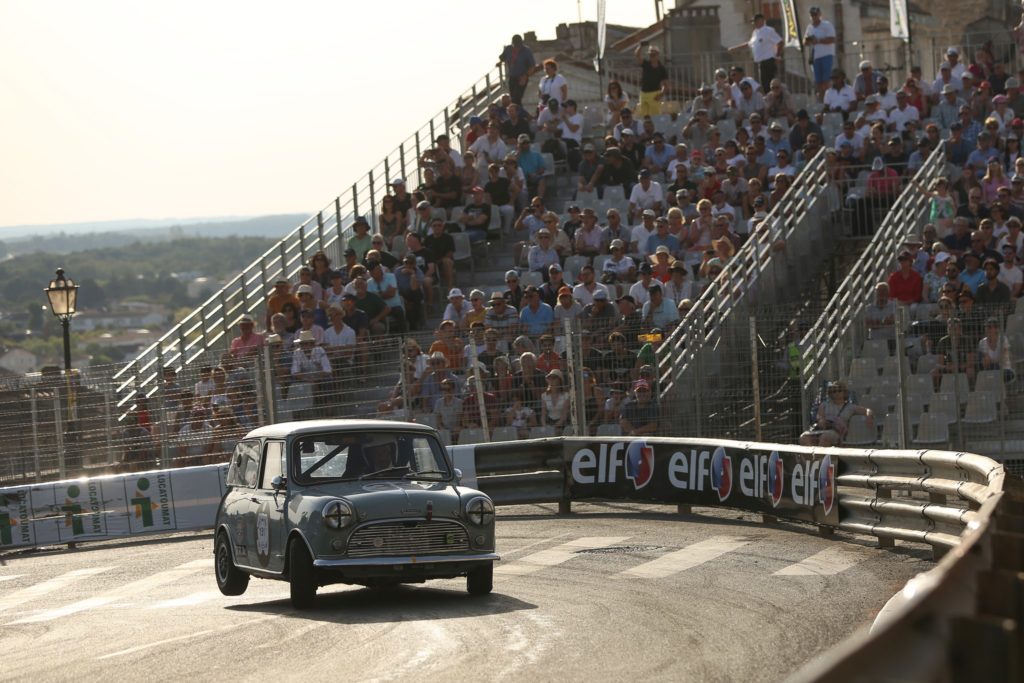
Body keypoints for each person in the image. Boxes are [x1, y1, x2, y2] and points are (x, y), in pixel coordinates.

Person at [798, 380, 872, 447]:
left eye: (839, 390)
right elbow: (820, 417)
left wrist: (869, 416)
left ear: (844, 392)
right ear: (831, 393)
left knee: (825, 437)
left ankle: (820, 460)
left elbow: (867, 410)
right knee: (804, 437)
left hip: (838, 433)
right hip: (823, 429)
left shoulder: (850, 407)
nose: (836, 393)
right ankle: (812, 460)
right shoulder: (824, 405)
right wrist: (822, 421)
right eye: (834, 391)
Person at [803, 6, 837, 100]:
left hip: (826, 55)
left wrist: (818, 40)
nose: (814, 17)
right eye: (812, 15)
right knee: (818, 82)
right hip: (815, 57)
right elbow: (805, 42)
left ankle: (829, 100)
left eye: (815, 15)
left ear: (819, 15)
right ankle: (821, 101)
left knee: (826, 80)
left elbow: (832, 39)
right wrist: (809, 40)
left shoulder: (826, 25)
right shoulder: (809, 27)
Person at [499, 34, 537, 106]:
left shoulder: (526, 51)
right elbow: (502, 57)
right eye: (515, 45)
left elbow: (532, 66)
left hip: (522, 77)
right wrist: (500, 63)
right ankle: (518, 114)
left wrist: (525, 77)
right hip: (512, 77)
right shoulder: (508, 49)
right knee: (513, 99)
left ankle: (519, 114)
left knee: (517, 98)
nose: (517, 47)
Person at [634, 42, 668, 117]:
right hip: (644, 94)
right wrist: (640, 46)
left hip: (655, 94)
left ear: (658, 55)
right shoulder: (645, 64)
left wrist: (661, 94)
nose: (652, 56)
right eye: (650, 55)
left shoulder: (661, 69)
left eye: (653, 54)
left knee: (655, 116)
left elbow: (665, 85)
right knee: (644, 116)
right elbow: (637, 55)